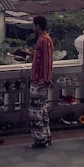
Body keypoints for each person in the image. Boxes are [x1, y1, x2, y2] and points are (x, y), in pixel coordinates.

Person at [26, 15, 54, 149]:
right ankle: (45, 136)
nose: (33, 28)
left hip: (39, 81)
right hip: (40, 80)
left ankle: (40, 139)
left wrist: (45, 79)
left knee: (35, 112)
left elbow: (47, 61)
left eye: (34, 25)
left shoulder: (44, 40)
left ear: (38, 26)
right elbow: (41, 58)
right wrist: (28, 54)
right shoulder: (44, 40)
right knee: (42, 111)